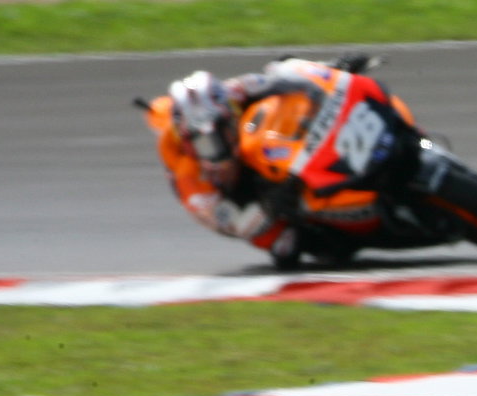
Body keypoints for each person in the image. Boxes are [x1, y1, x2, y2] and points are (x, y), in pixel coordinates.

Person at [142, 55, 378, 268]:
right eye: (208, 143)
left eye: (224, 130)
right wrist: (269, 209)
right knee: (279, 243)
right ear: (189, 143)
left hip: (257, 141)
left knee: (284, 63)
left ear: (229, 109)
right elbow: (222, 220)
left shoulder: (232, 92)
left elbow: (287, 80)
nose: (221, 142)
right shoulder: (188, 174)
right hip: (230, 198)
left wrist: (334, 72)